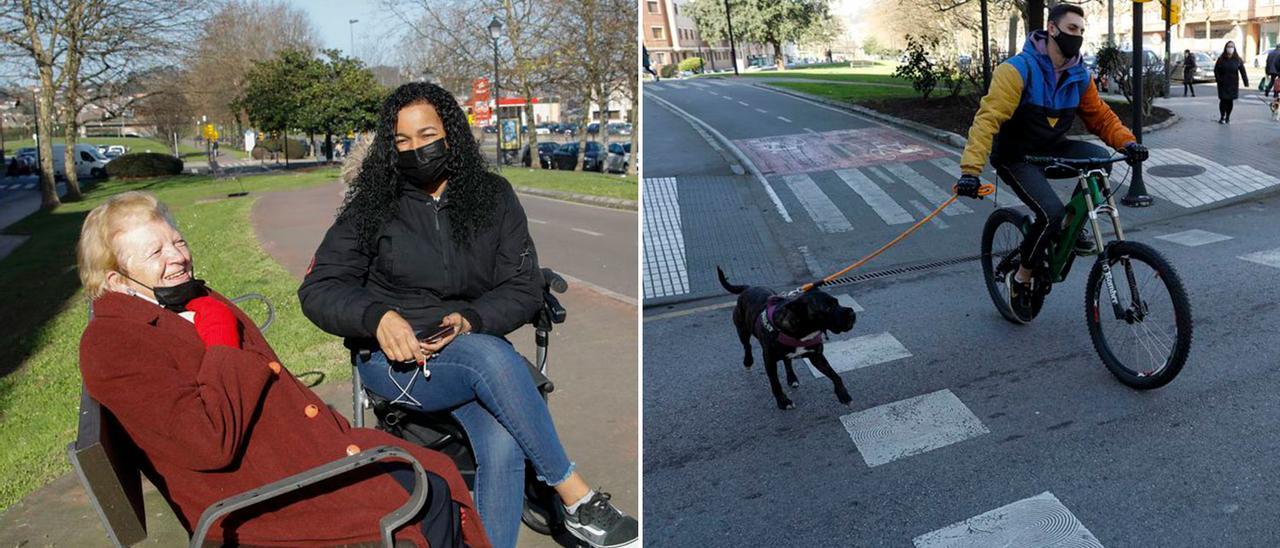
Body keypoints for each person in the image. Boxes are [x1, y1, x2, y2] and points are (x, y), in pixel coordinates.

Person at [298, 82, 638, 548]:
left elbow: (522, 287)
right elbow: (320, 288)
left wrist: (470, 320)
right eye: (401, 140)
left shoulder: (493, 198)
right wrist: (377, 316)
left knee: (500, 434)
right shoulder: (372, 206)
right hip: (395, 362)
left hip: (469, 353)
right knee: (493, 359)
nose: (415, 149)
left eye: (426, 135)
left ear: (451, 136)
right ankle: (577, 499)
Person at [75, 191, 491, 547]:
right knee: (427, 492)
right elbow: (206, 441)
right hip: (260, 502)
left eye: (178, 242)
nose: (179, 257)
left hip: (294, 463)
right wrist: (221, 341)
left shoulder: (182, 301)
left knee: (434, 474)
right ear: (117, 282)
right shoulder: (113, 343)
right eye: (156, 252)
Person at [954, 3, 1148, 319]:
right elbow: (987, 119)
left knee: (1100, 159)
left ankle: (1071, 230)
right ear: (1052, 28)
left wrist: (1128, 143)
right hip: (1017, 157)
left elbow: (1100, 117)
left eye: (1082, 31)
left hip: (1053, 150)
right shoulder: (1017, 70)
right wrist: (970, 171)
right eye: (1072, 29)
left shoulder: (1078, 75)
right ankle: (1022, 276)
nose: (1078, 36)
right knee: (1049, 213)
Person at [1213, 41, 1248, 124]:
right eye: (1229, 46)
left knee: (1230, 101)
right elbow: (1216, 70)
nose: (1230, 48)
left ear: (1234, 48)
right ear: (1226, 48)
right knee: (1223, 101)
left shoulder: (1238, 60)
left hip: (1233, 83)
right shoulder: (1221, 59)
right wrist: (1218, 79)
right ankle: (1222, 117)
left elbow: (1243, 71)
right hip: (1223, 83)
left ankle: (1228, 116)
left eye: (1232, 46)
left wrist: (1246, 82)